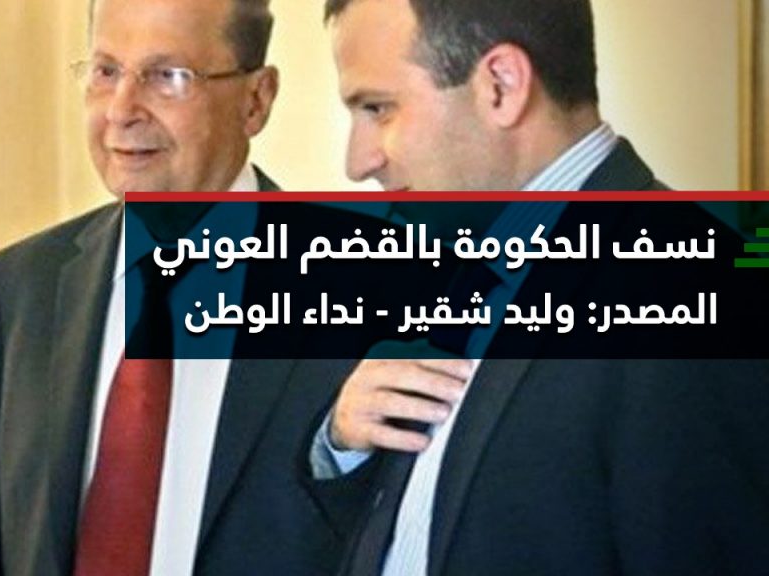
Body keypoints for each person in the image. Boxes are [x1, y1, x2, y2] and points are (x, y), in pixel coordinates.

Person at [307, 0, 769, 575]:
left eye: (378, 108)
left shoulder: (694, 296)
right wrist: (343, 445)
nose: (358, 162)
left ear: (502, 85)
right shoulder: (462, 261)